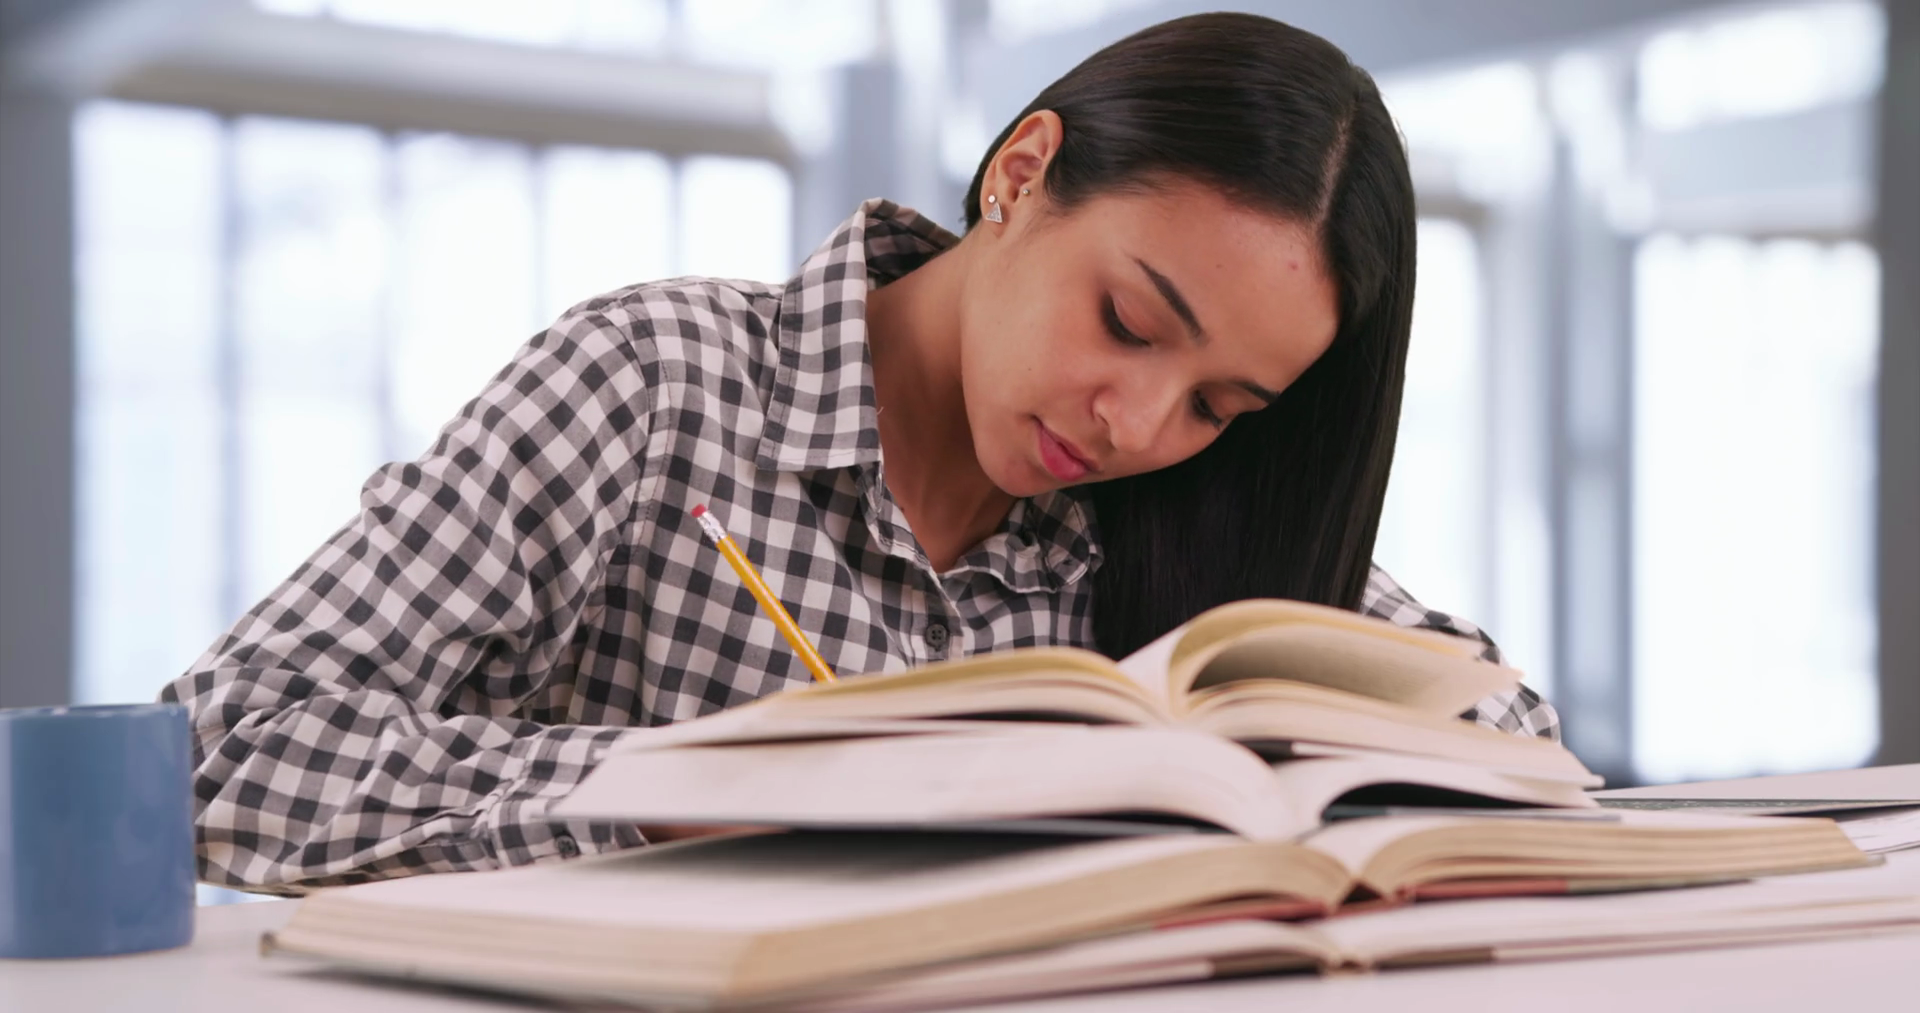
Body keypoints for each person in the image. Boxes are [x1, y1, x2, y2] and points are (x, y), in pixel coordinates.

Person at [162, 11, 1557, 892]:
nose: (1138, 425)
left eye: (1219, 406)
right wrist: (678, 792)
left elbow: (1511, 734)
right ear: (1020, 176)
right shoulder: (660, 387)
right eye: (1130, 321)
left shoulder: (1182, 522)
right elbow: (216, 757)